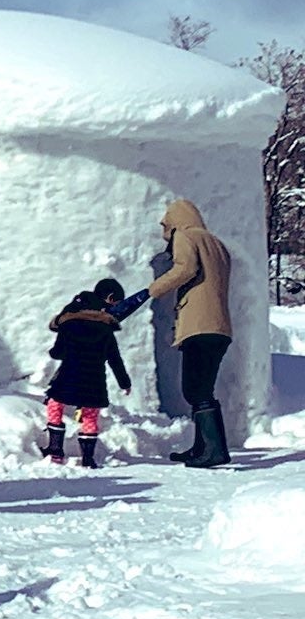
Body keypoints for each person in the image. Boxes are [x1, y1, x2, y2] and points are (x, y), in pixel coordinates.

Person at [117, 199, 236, 468]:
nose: (167, 236)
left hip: (199, 325)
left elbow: (186, 269)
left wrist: (150, 291)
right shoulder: (216, 243)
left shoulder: (185, 235)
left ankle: (214, 450)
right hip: (220, 326)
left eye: (167, 229)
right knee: (201, 387)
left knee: (196, 388)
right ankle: (202, 447)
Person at [39, 279, 132, 469]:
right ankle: (88, 459)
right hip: (94, 379)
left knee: (55, 406)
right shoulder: (106, 329)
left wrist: (53, 352)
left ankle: (55, 451)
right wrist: (125, 383)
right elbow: (115, 359)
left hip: (69, 375)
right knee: (90, 416)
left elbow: (58, 352)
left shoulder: (69, 323)